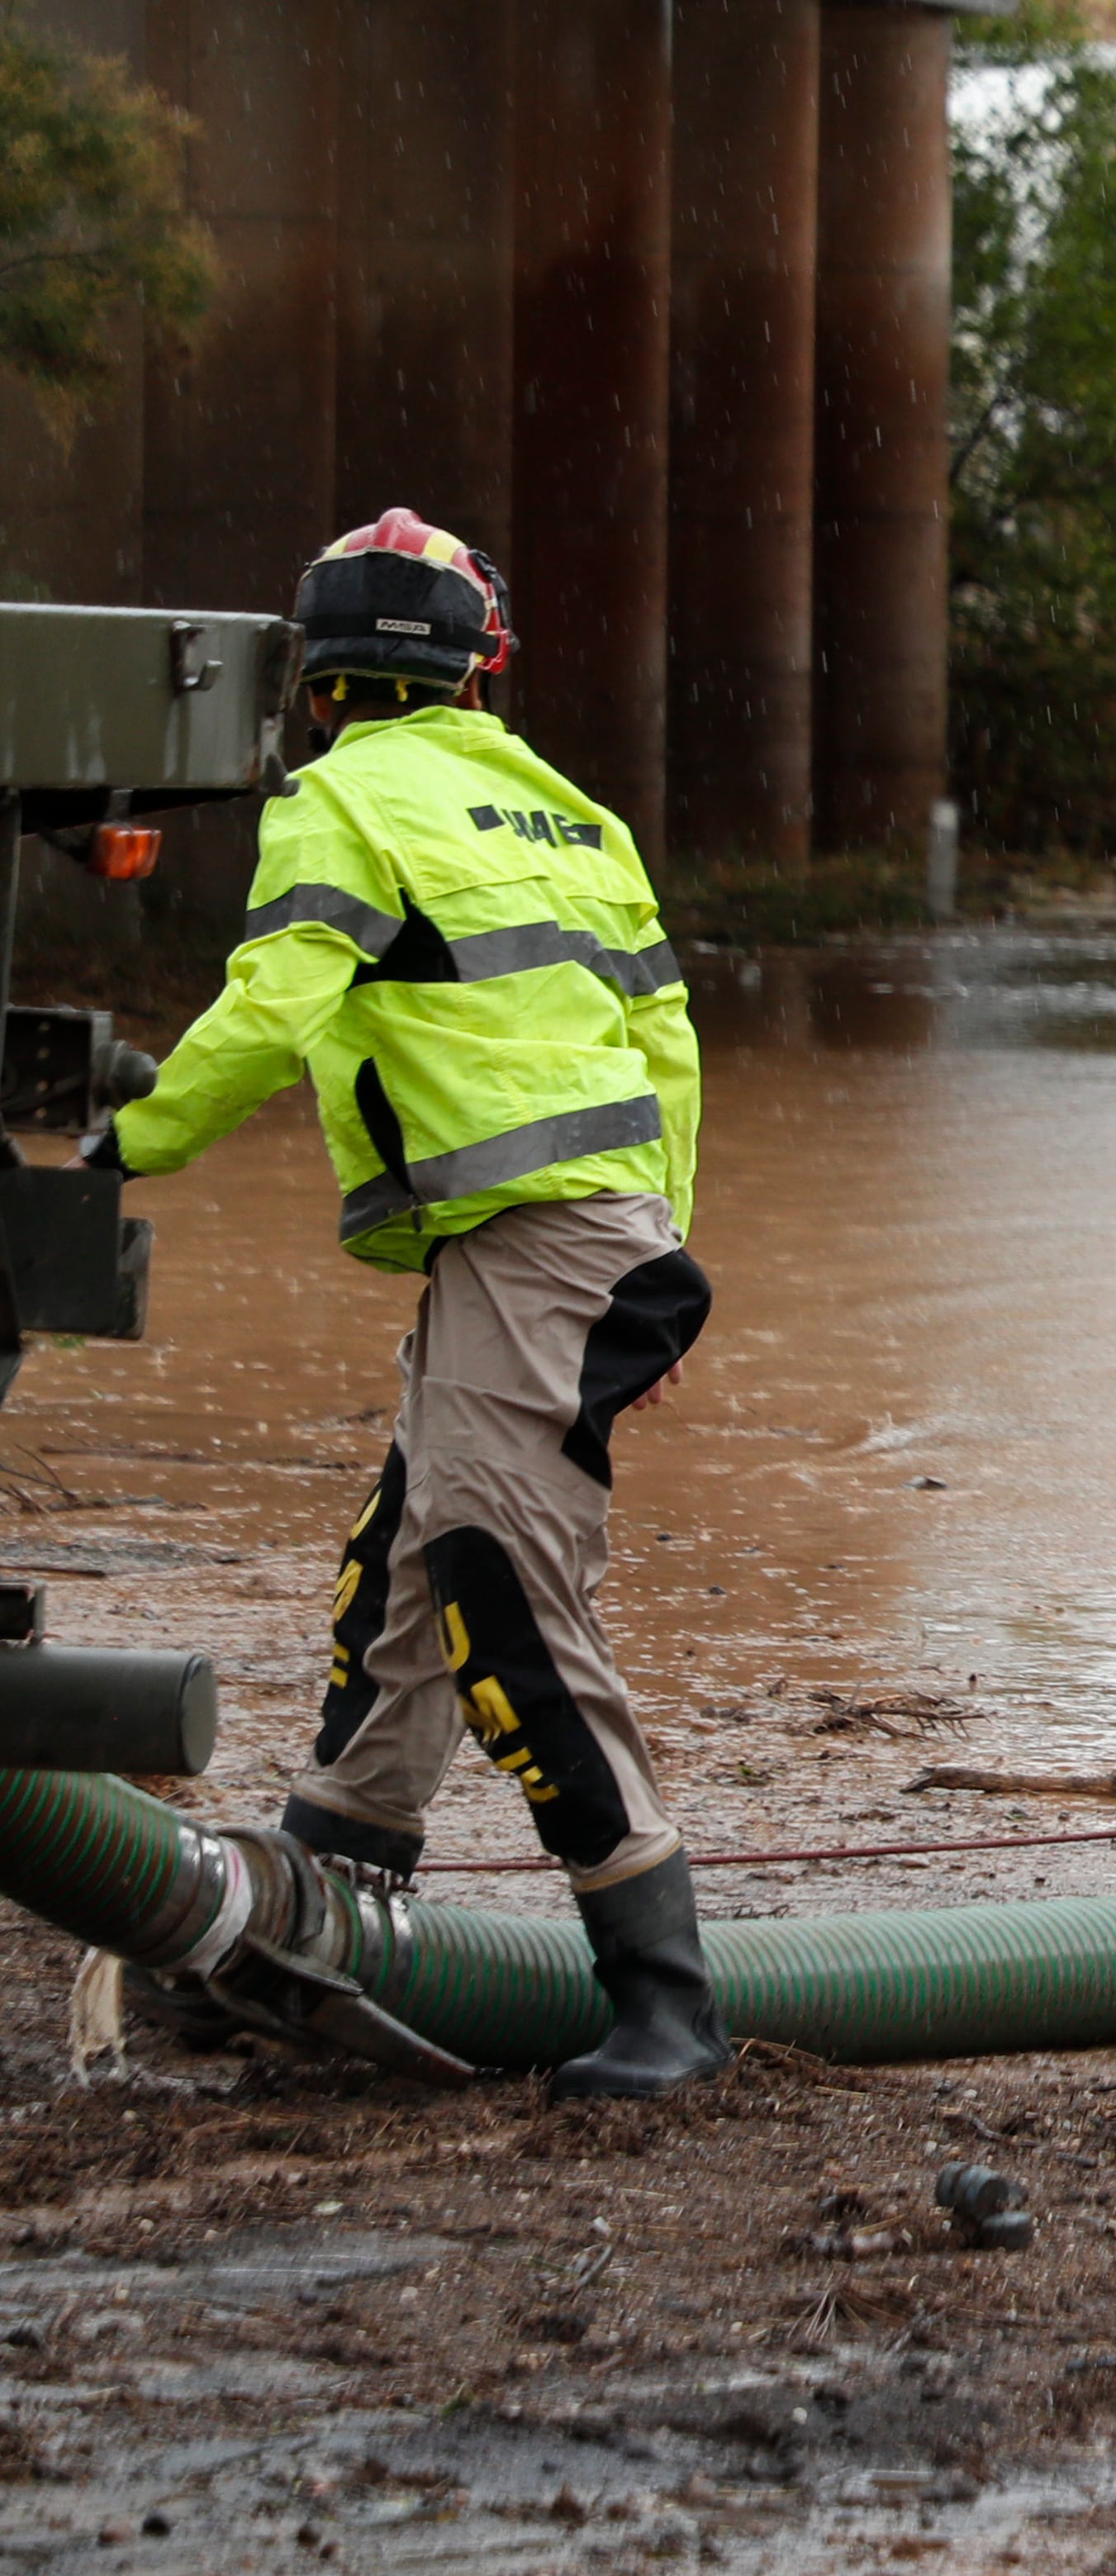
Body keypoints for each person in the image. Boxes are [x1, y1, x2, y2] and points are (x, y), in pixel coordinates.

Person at [88, 511, 724, 2097]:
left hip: (531, 1250)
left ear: (319, 685)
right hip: (584, 1240)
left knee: (500, 1593)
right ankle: (320, 1911)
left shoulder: (338, 804)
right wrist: (651, 1258)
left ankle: (667, 1999)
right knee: (411, 1573)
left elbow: (274, 1002)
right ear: (478, 667)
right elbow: (673, 1054)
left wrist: (129, 1138)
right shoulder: (572, 812)